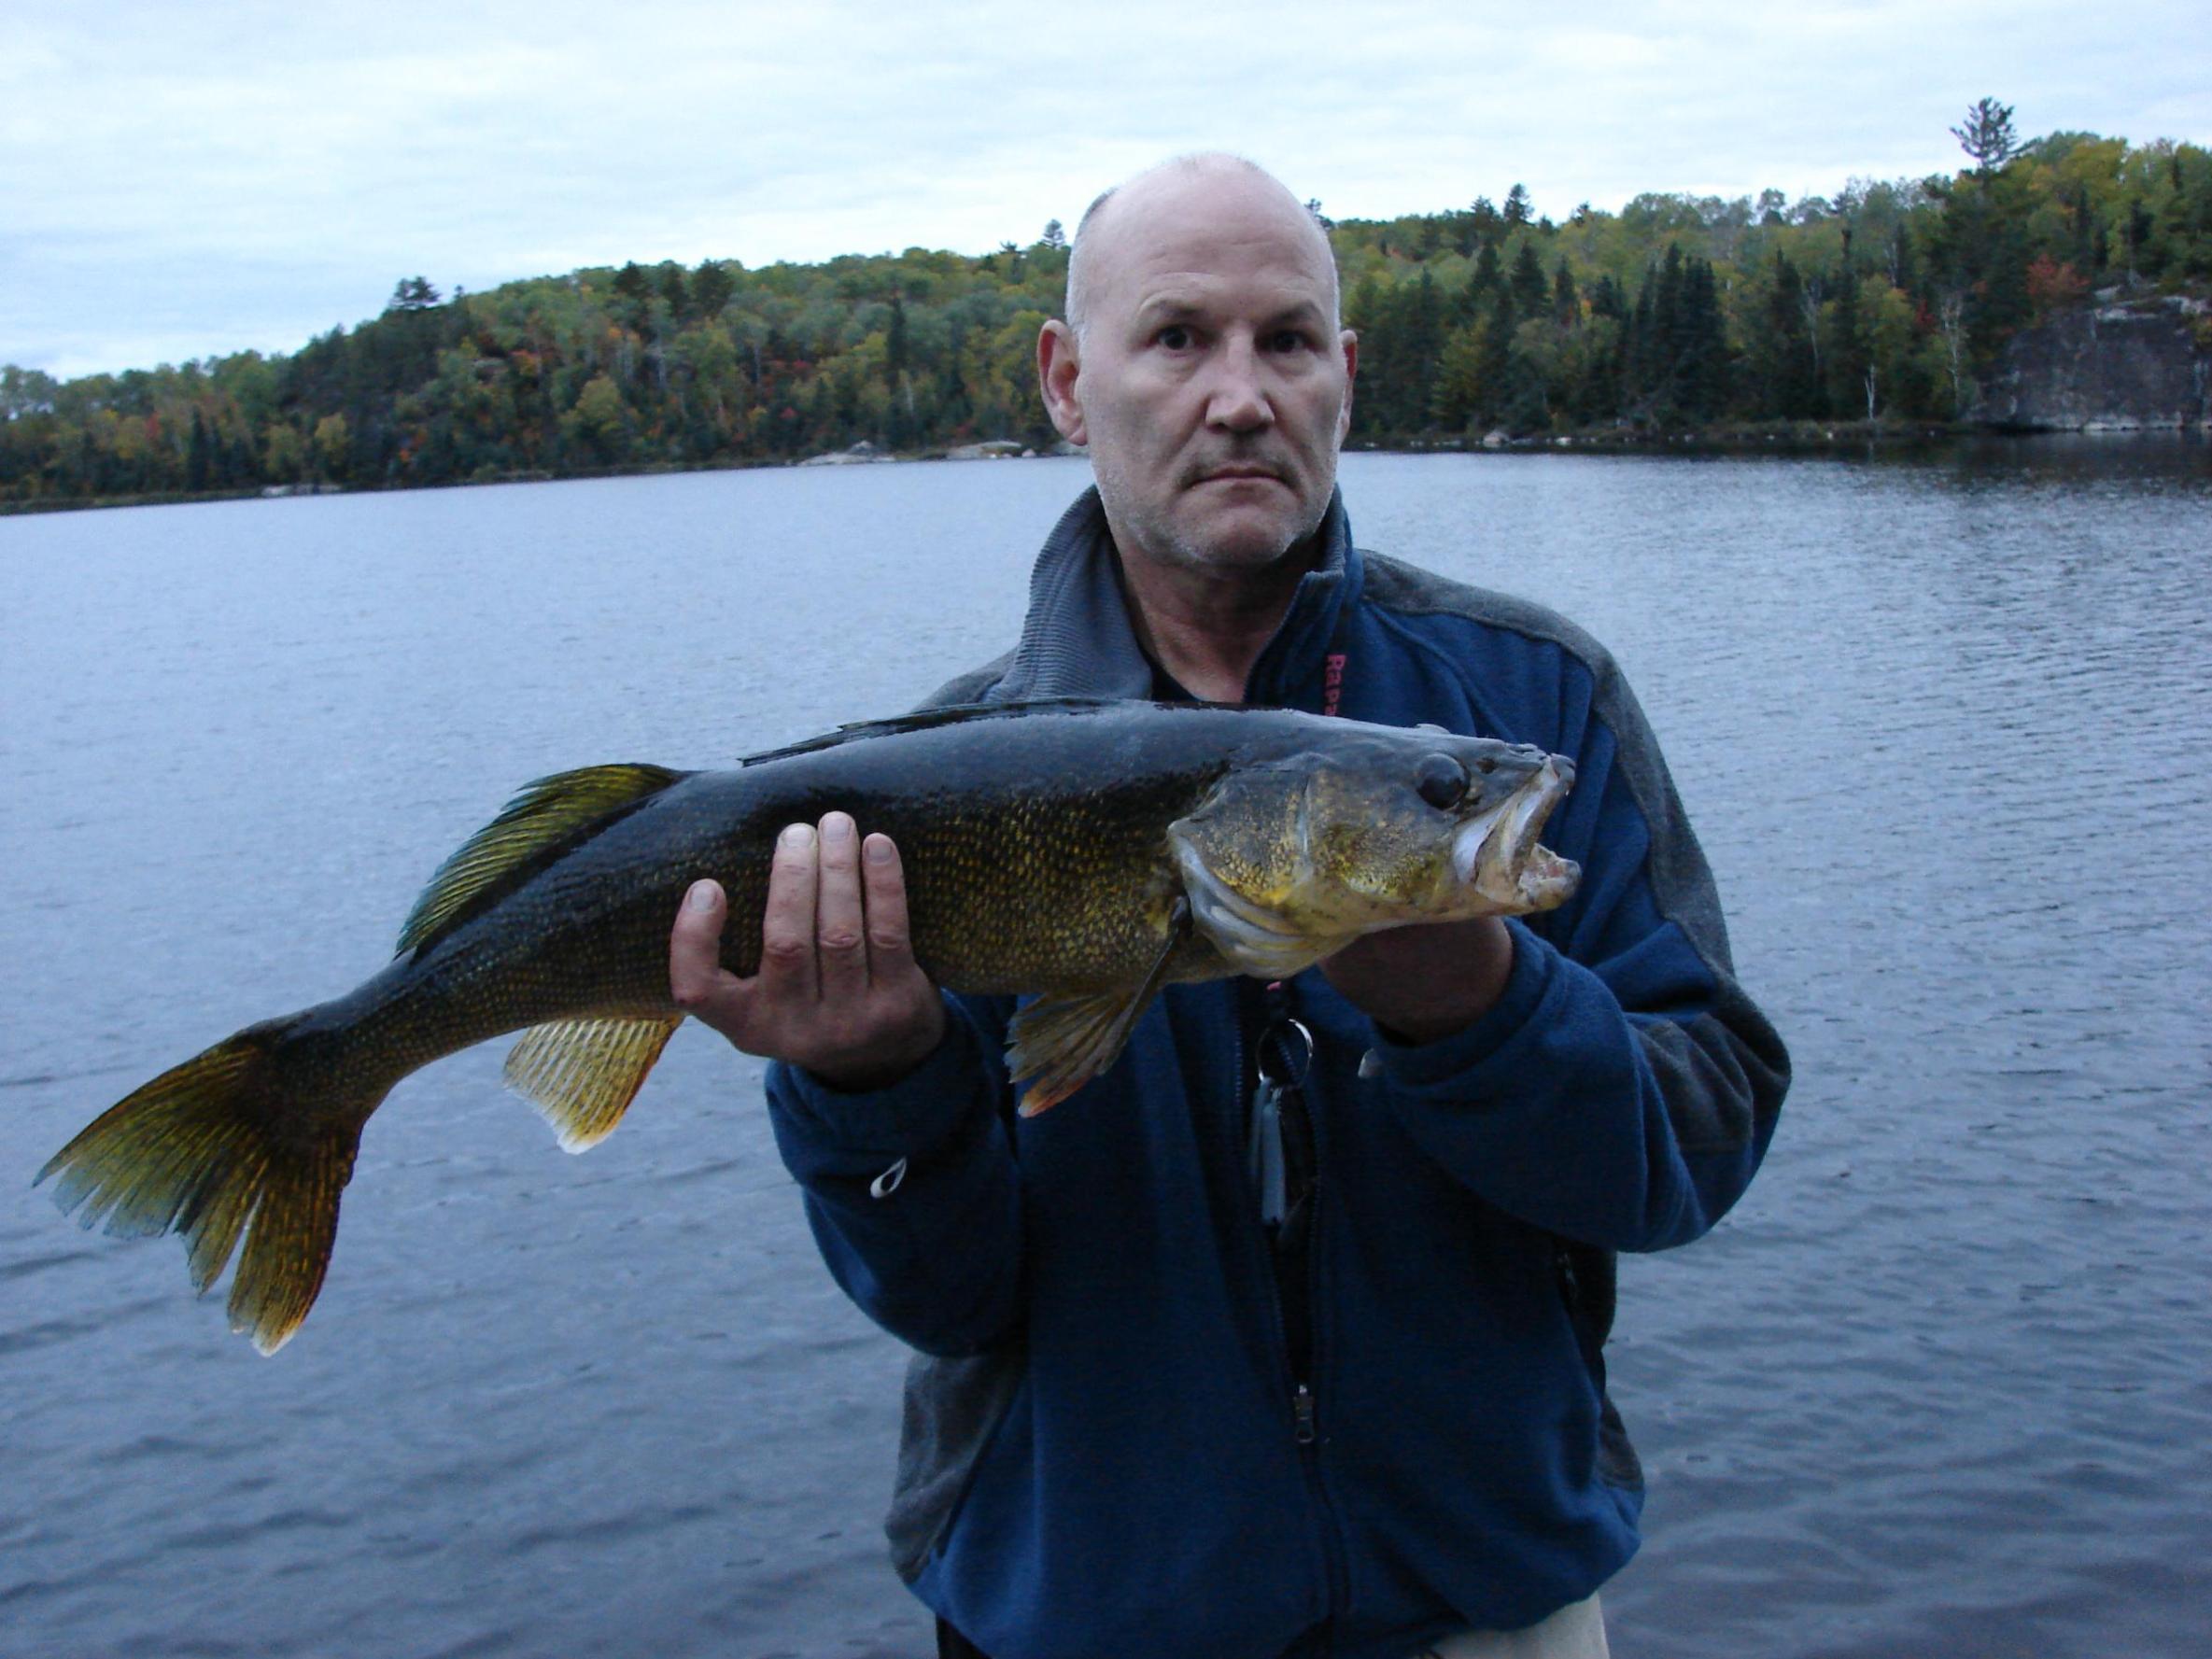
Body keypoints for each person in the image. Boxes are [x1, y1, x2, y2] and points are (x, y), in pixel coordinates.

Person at [668, 154, 1789, 1659]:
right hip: (1079, 1612)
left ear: (1345, 376)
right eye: (1178, 336)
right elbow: (945, 1301)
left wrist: (1482, 1007)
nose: (1241, 393)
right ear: (1069, 383)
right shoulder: (922, 794)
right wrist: (870, 1087)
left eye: (1287, 339)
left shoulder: (1530, 705)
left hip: (1482, 1602)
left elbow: (1691, 1157)